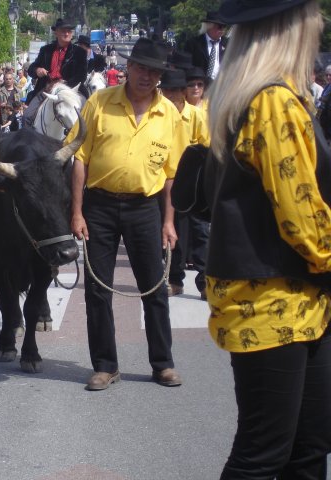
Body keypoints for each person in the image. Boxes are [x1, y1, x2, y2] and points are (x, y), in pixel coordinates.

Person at [205, 0, 331, 477]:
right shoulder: (273, 100)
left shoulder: (250, 94)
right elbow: (301, 216)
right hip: (273, 298)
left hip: (295, 295)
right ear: (292, 30)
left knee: (308, 444)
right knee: (265, 454)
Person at [67, 38, 185, 391]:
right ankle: (105, 365)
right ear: (128, 67)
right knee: (97, 291)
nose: (146, 76)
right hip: (99, 206)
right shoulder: (100, 103)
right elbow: (79, 158)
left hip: (145, 208)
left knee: (154, 287)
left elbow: (171, 175)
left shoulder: (170, 115)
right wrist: (76, 212)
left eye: (154, 71)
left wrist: (168, 221)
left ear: (160, 75)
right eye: (141, 68)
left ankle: (162, 363)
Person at [158, 69, 210, 300]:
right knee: (170, 233)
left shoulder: (196, 116)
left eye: (176, 90)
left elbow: (207, 148)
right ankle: (174, 279)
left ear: (183, 93)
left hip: (192, 185)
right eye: (167, 90)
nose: (171, 95)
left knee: (200, 233)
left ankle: (206, 281)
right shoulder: (157, 114)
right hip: (163, 184)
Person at [25, 17, 88, 122]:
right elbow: (31, 68)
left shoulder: (79, 52)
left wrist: (64, 84)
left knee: (87, 117)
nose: (67, 34)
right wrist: (37, 70)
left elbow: (82, 75)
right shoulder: (45, 50)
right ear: (56, 33)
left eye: (69, 31)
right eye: (63, 31)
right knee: (26, 117)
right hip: (47, 89)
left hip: (71, 90)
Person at [184, 11, 228, 83]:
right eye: (220, 27)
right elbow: (188, 66)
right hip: (200, 83)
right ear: (209, 26)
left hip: (222, 83)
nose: (222, 30)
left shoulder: (227, 44)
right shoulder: (193, 43)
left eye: (224, 27)